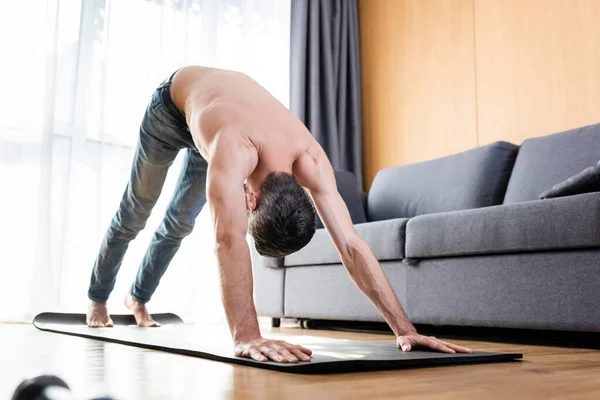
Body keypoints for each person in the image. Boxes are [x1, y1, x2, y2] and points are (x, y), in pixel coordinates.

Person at [86, 66, 472, 363]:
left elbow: (351, 243)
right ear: (251, 202)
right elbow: (228, 239)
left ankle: (136, 298)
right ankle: (98, 298)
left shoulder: (310, 159)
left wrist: (405, 329)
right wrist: (248, 336)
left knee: (179, 224)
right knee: (137, 211)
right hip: (171, 109)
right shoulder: (235, 149)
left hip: (215, 119)